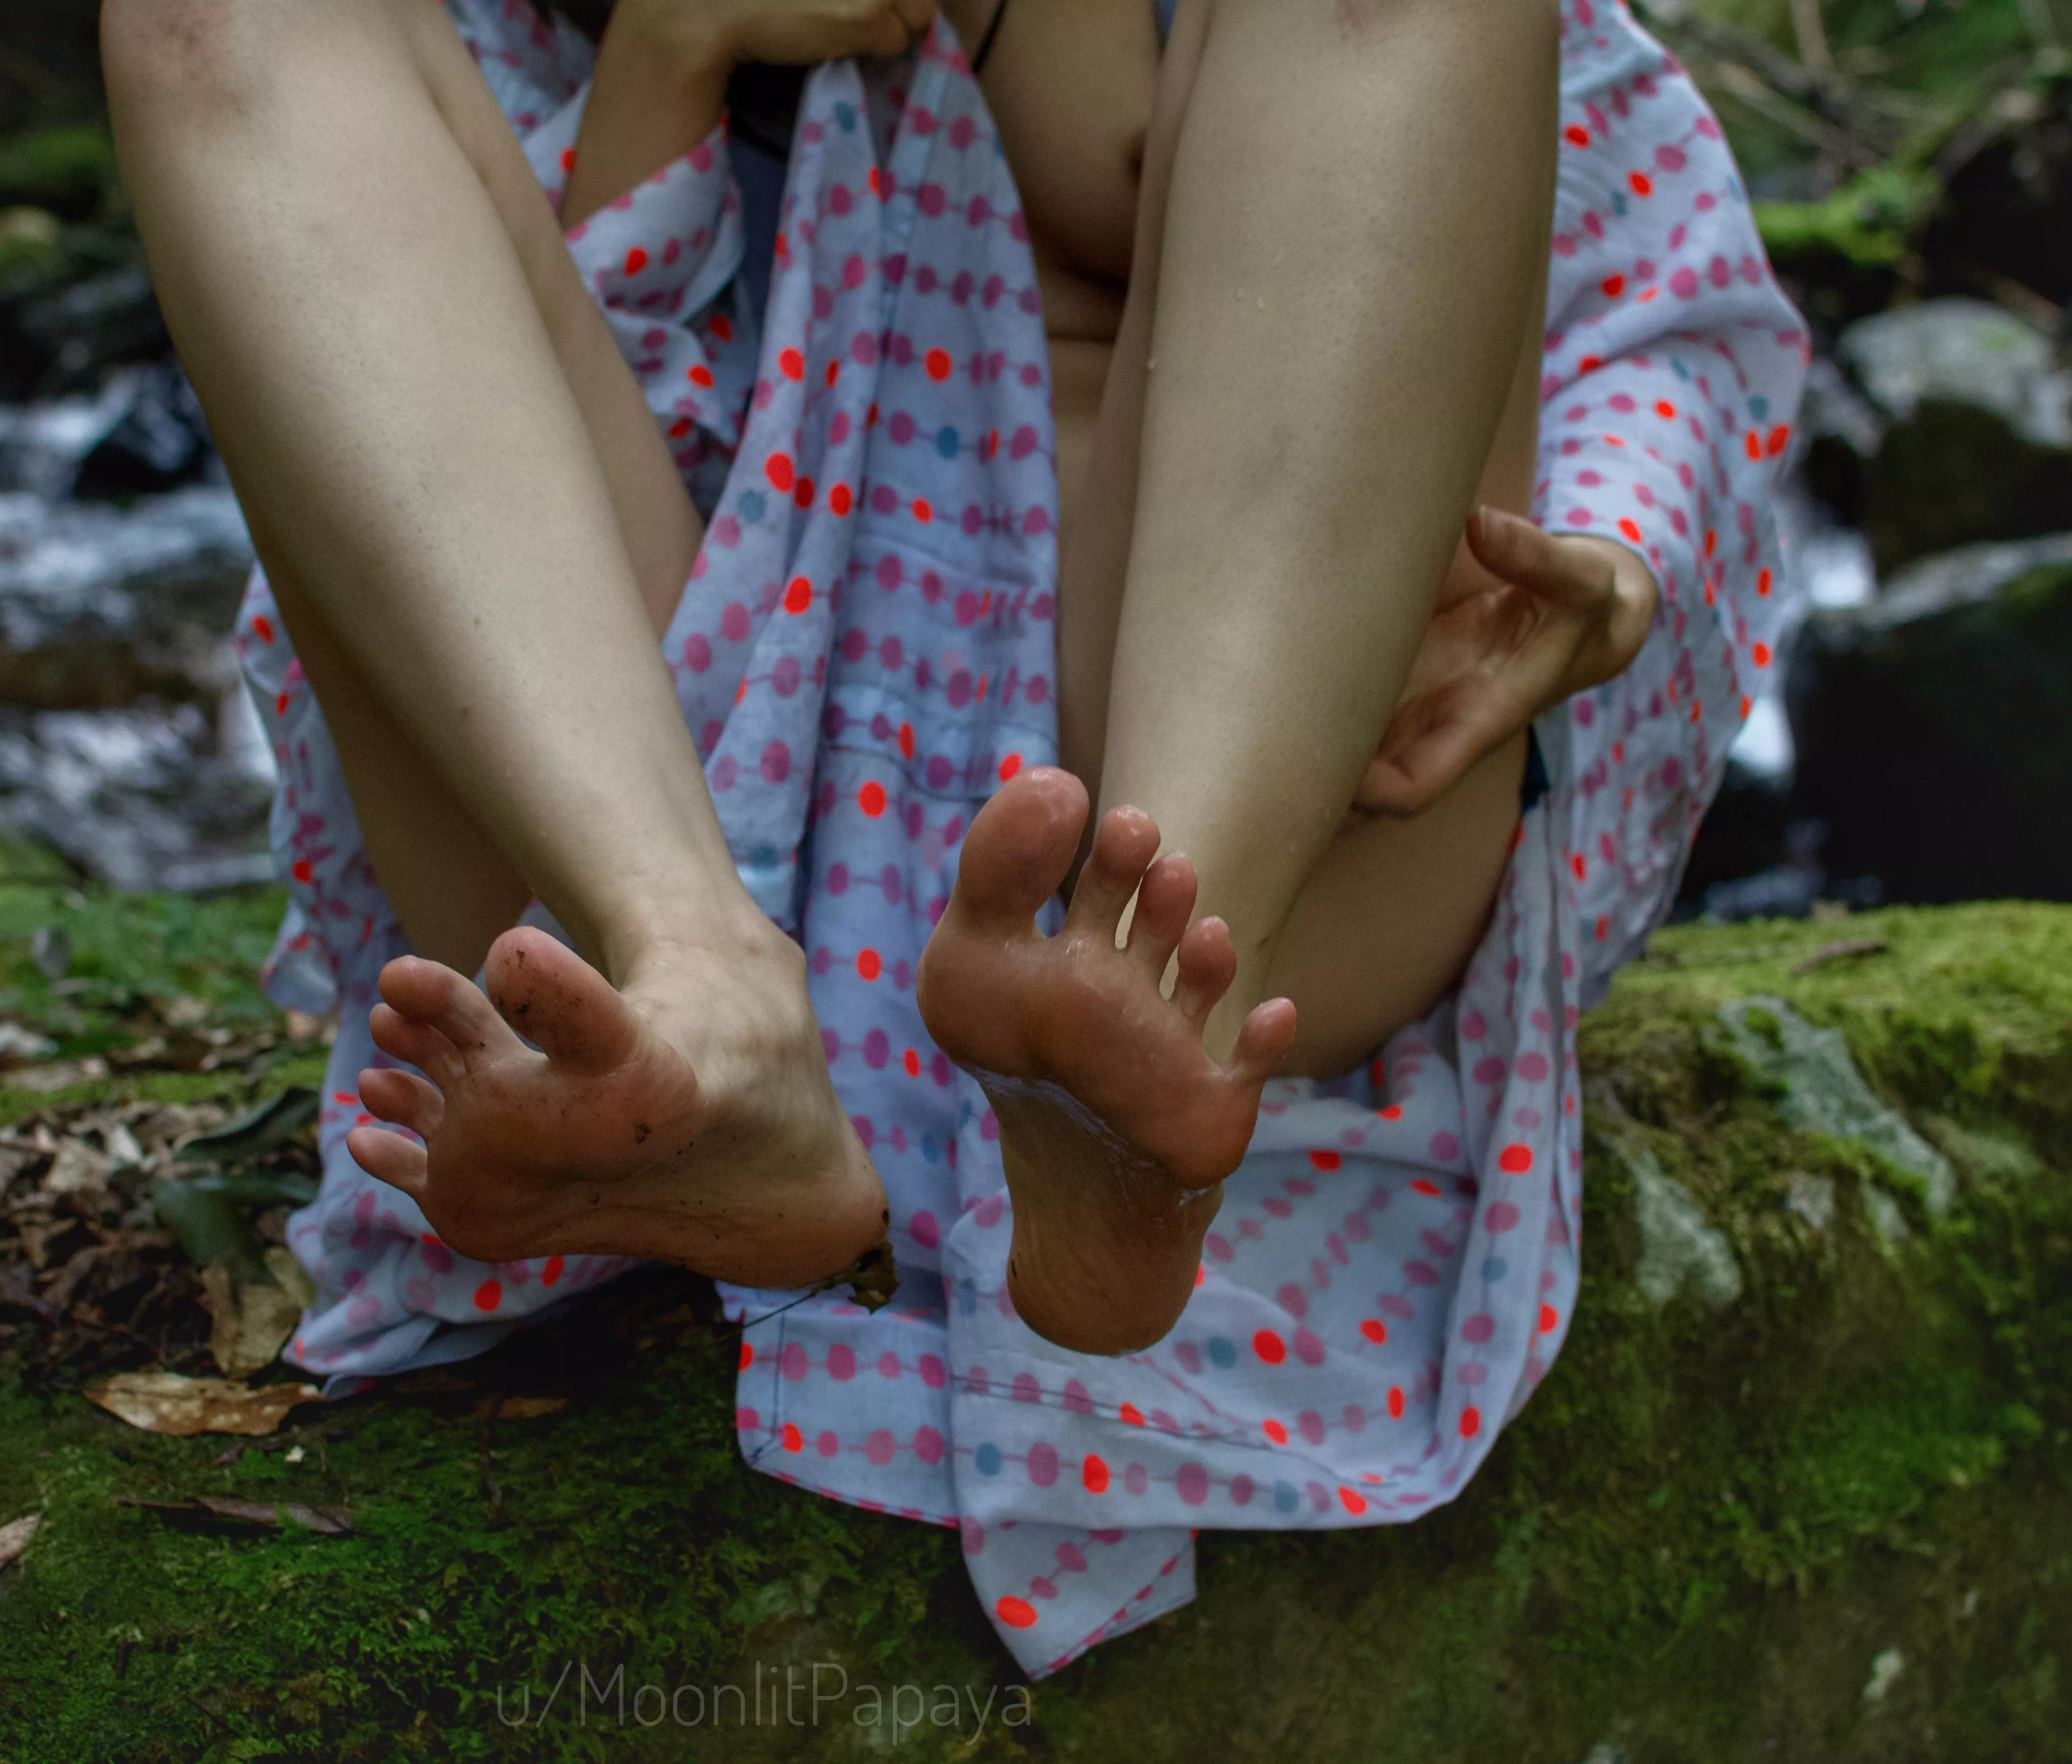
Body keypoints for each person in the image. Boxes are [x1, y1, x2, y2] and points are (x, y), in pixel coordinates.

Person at [102, 0, 1804, 1673]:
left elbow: (1659, 296)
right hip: (619, 872)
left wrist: (1610, 567)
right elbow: (372, 387)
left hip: (1233, 864)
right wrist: (662, 80)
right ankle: (716, 1011)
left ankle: (1138, 1042)